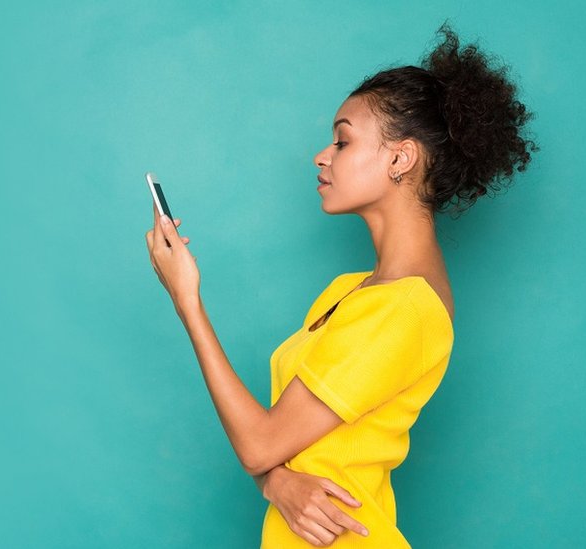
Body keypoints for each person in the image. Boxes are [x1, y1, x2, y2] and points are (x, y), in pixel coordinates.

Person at [146, 20, 537, 548]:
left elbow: (260, 444)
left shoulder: (405, 309)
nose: (321, 155)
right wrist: (276, 482)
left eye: (343, 140)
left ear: (400, 158)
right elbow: (276, 449)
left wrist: (187, 301)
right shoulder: (351, 290)